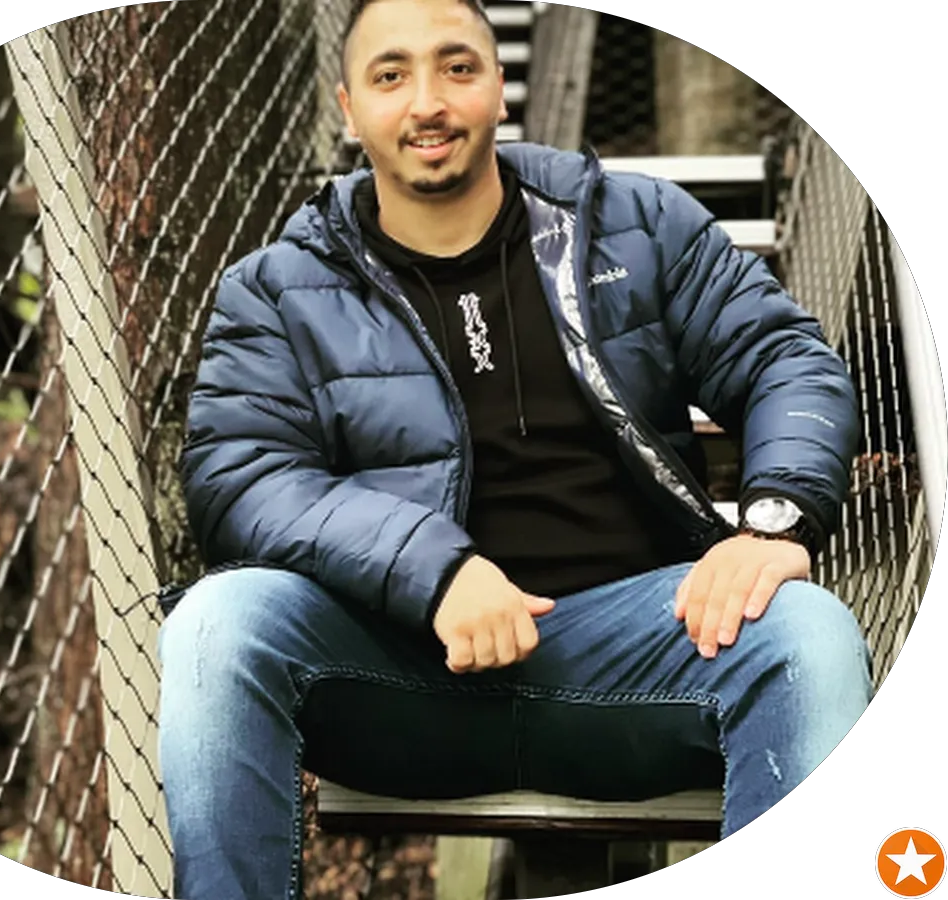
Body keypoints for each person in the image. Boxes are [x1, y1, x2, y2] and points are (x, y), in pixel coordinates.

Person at [156, 1, 874, 897]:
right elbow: (240, 478)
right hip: (398, 675)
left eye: (458, 68)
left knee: (809, 633)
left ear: (499, 89)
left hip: (639, 659)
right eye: (391, 75)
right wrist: (434, 570)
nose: (428, 101)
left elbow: (784, 359)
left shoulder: (635, 224)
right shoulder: (276, 290)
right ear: (349, 108)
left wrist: (773, 522)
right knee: (218, 625)